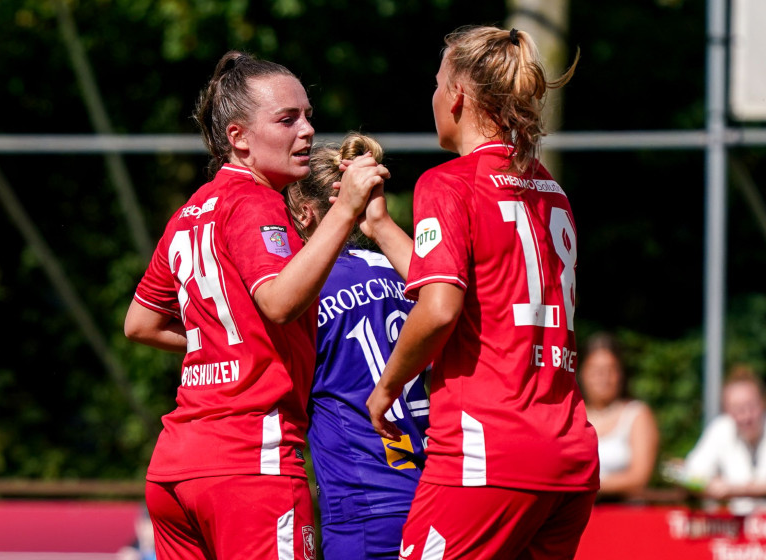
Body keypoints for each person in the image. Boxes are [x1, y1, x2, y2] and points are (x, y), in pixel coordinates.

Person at [123, 51, 388, 560]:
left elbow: (139, 323)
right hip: (251, 461)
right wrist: (349, 210)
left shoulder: (191, 211)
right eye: (287, 119)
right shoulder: (256, 201)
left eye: (308, 115)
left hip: (176, 465)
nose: (307, 131)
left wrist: (222, 344)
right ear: (238, 137)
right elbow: (280, 302)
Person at [365, 25, 599, 559]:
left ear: (457, 97)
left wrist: (388, 386)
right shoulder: (550, 189)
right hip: (566, 453)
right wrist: (379, 226)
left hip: (488, 450)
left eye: (436, 83)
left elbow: (441, 307)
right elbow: (460, 287)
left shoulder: (448, 182)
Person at [285, 133, 429, 560]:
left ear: (305, 213)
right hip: (433, 490)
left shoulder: (299, 293)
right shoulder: (399, 266)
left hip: (364, 502)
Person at [578, 332, 659, 499]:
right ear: (582, 373)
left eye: (610, 370)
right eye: (596, 370)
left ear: (620, 374)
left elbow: (639, 477)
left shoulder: (636, 414)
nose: (603, 378)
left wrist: (582, 484)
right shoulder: (571, 415)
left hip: (623, 513)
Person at [682, 364, 766, 515]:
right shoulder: (721, 429)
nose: (745, 416)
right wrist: (707, 484)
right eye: (737, 409)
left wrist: (735, 489)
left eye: (750, 406)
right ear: (726, 410)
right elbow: (689, 475)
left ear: (762, 403)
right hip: (736, 530)